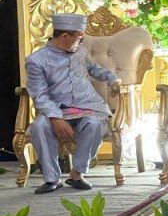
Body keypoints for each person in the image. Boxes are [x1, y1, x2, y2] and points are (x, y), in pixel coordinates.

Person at [25, 12, 120, 194]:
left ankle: (77, 174)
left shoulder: (80, 51)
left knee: (95, 124)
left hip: (87, 105)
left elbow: (94, 69)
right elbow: (40, 95)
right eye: (79, 37)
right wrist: (56, 118)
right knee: (39, 126)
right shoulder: (36, 60)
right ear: (65, 36)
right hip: (55, 108)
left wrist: (112, 78)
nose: (81, 41)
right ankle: (51, 179)